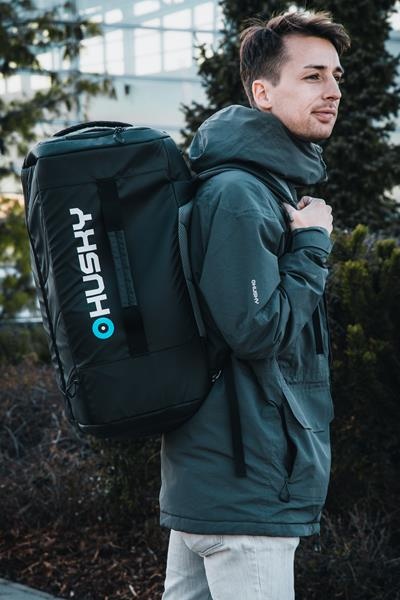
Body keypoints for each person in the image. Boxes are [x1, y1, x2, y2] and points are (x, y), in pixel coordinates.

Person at [160, 10, 350, 600]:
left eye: (336, 76)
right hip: (247, 487)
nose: (333, 91)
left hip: (221, 478)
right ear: (263, 93)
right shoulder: (240, 194)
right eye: (312, 76)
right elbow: (257, 330)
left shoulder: (256, 187)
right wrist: (312, 245)